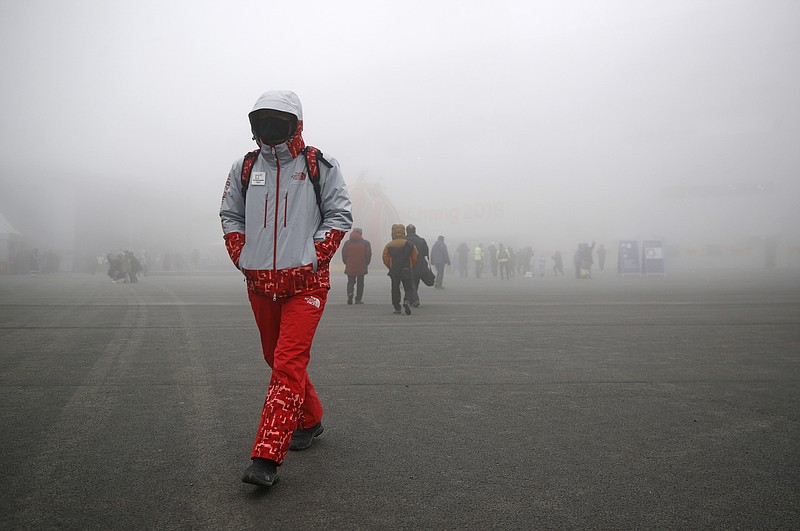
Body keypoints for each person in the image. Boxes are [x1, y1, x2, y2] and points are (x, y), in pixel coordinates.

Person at [220, 90, 353, 488]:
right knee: (275, 358)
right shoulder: (244, 168)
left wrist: (313, 256)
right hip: (260, 283)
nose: (270, 128)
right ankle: (310, 419)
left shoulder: (318, 166)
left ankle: (266, 456)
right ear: (253, 124)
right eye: (263, 120)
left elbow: (339, 214)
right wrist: (244, 256)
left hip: (306, 284)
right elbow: (230, 214)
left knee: (288, 361)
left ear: (296, 123)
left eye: (280, 120)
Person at [382, 224, 418, 315]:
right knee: (409, 288)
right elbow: (415, 257)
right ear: (403, 232)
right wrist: (411, 266)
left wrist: (391, 267)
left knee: (395, 289)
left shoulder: (389, 245)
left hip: (394, 271)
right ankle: (407, 300)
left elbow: (385, 259)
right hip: (406, 269)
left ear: (392, 232)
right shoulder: (409, 244)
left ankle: (397, 307)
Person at [341, 227, 371, 304]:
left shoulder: (347, 243)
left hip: (350, 265)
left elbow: (344, 254)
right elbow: (368, 255)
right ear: (360, 233)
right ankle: (358, 299)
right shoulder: (365, 243)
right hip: (361, 266)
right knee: (360, 283)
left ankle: (350, 293)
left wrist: (346, 263)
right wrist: (366, 263)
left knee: (350, 282)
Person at [405, 224, 429, 307]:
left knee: (410, 283)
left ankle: (413, 299)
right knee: (415, 282)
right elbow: (426, 253)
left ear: (406, 231)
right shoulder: (422, 240)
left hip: (408, 265)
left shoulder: (404, 240)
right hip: (420, 265)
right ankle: (412, 299)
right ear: (415, 231)